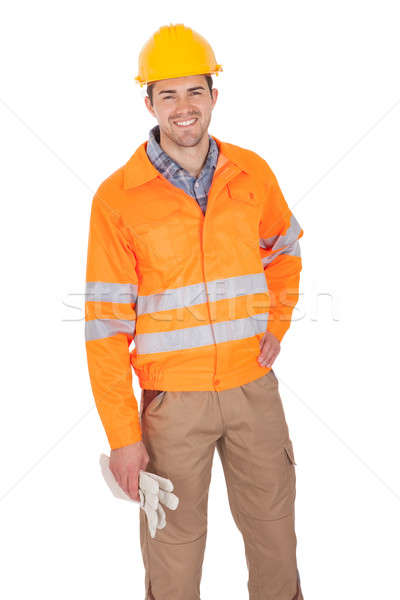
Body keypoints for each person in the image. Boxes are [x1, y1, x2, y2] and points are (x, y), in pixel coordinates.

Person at [85, 22, 304, 600]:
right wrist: (123, 437)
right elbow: (106, 330)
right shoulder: (118, 198)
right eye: (167, 94)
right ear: (149, 101)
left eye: (194, 91)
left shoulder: (251, 173)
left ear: (213, 94)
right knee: (174, 558)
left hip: (252, 390)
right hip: (171, 407)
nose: (183, 108)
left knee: (276, 541)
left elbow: (285, 254)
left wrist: (275, 326)